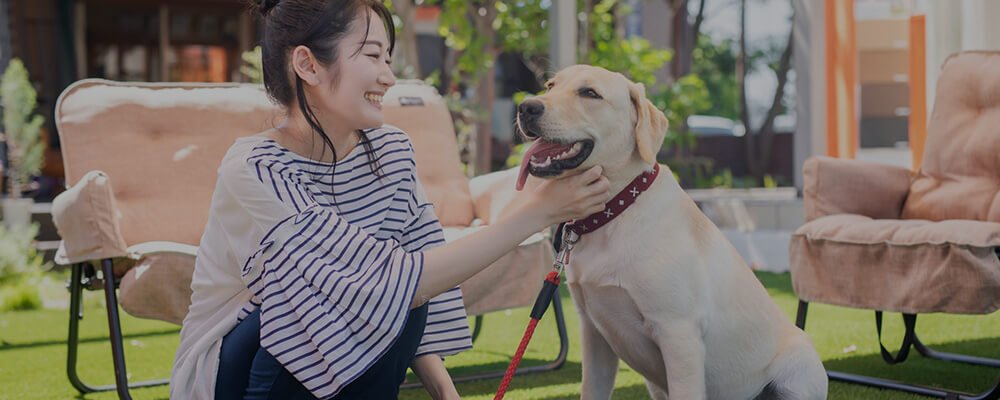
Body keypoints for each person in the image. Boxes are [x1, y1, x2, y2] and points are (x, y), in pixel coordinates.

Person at [169, 0, 611, 399]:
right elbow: (383, 282)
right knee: (360, 288)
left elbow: (423, 273)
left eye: (388, 58)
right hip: (245, 363)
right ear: (308, 64)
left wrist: (446, 394)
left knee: (399, 293)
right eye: (372, 55)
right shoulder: (256, 166)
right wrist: (539, 212)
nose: (388, 75)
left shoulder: (391, 150)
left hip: (339, 343)